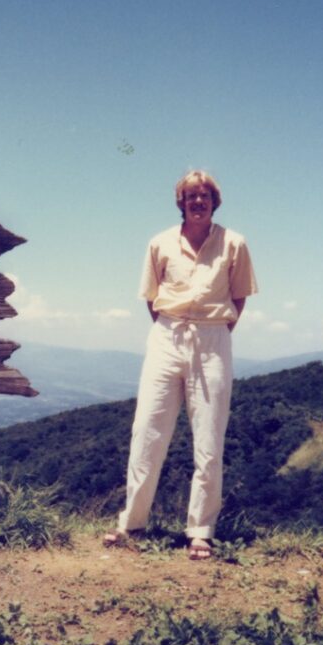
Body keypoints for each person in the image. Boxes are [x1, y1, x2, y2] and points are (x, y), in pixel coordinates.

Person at [105, 169, 257, 560]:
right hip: (166, 337)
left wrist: (214, 332)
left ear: (214, 201)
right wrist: (174, 330)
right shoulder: (159, 243)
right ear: (181, 202)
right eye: (190, 196)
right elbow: (151, 296)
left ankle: (201, 531)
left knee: (209, 438)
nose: (198, 202)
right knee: (147, 430)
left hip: (212, 339)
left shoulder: (234, 244)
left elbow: (239, 297)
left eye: (204, 196)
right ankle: (131, 523)